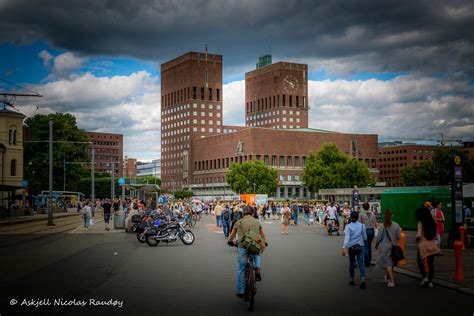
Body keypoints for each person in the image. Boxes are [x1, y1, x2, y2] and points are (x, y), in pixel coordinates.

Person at [227, 205, 267, 298]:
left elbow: (232, 235)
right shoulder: (257, 222)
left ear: (243, 213)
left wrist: (229, 241)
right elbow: (262, 235)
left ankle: (241, 290)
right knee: (257, 250)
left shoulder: (239, 222)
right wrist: (264, 242)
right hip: (254, 245)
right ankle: (257, 268)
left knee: (241, 268)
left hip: (242, 246)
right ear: (252, 213)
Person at [375, 209, 401, 288]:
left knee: (389, 264)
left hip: (385, 247)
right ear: (392, 216)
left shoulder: (383, 226)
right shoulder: (396, 225)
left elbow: (379, 237)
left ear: (384, 216)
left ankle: (391, 281)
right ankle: (388, 277)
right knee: (391, 263)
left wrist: (376, 244)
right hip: (394, 246)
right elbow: (398, 237)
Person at [416, 205, 440, 288]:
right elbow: (435, 235)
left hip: (423, 245)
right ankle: (430, 282)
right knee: (431, 263)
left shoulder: (420, 223)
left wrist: (417, 238)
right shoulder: (432, 221)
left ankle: (424, 277)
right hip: (432, 244)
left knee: (419, 261)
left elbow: (419, 235)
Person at [342, 212, 367, 289]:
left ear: (350, 217)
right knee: (361, 264)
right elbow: (365, 237)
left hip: (351, 247)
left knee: (352, 263)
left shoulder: (348, 226)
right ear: (358, 217)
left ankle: (352, 280)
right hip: (360, 246)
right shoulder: (362, 226)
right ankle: (363, 281)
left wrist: (344, 248)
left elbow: (347, 238)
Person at [359, 202, 377, 267]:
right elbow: (375, 223)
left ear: (363, 207)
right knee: (369, 245)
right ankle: (369, 260)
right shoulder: (372, 213)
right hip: (371, 230)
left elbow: (359, 224)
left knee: (365, 246)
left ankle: (367, 262)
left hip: (365, 230)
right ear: (369, 207)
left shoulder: (361, 214)